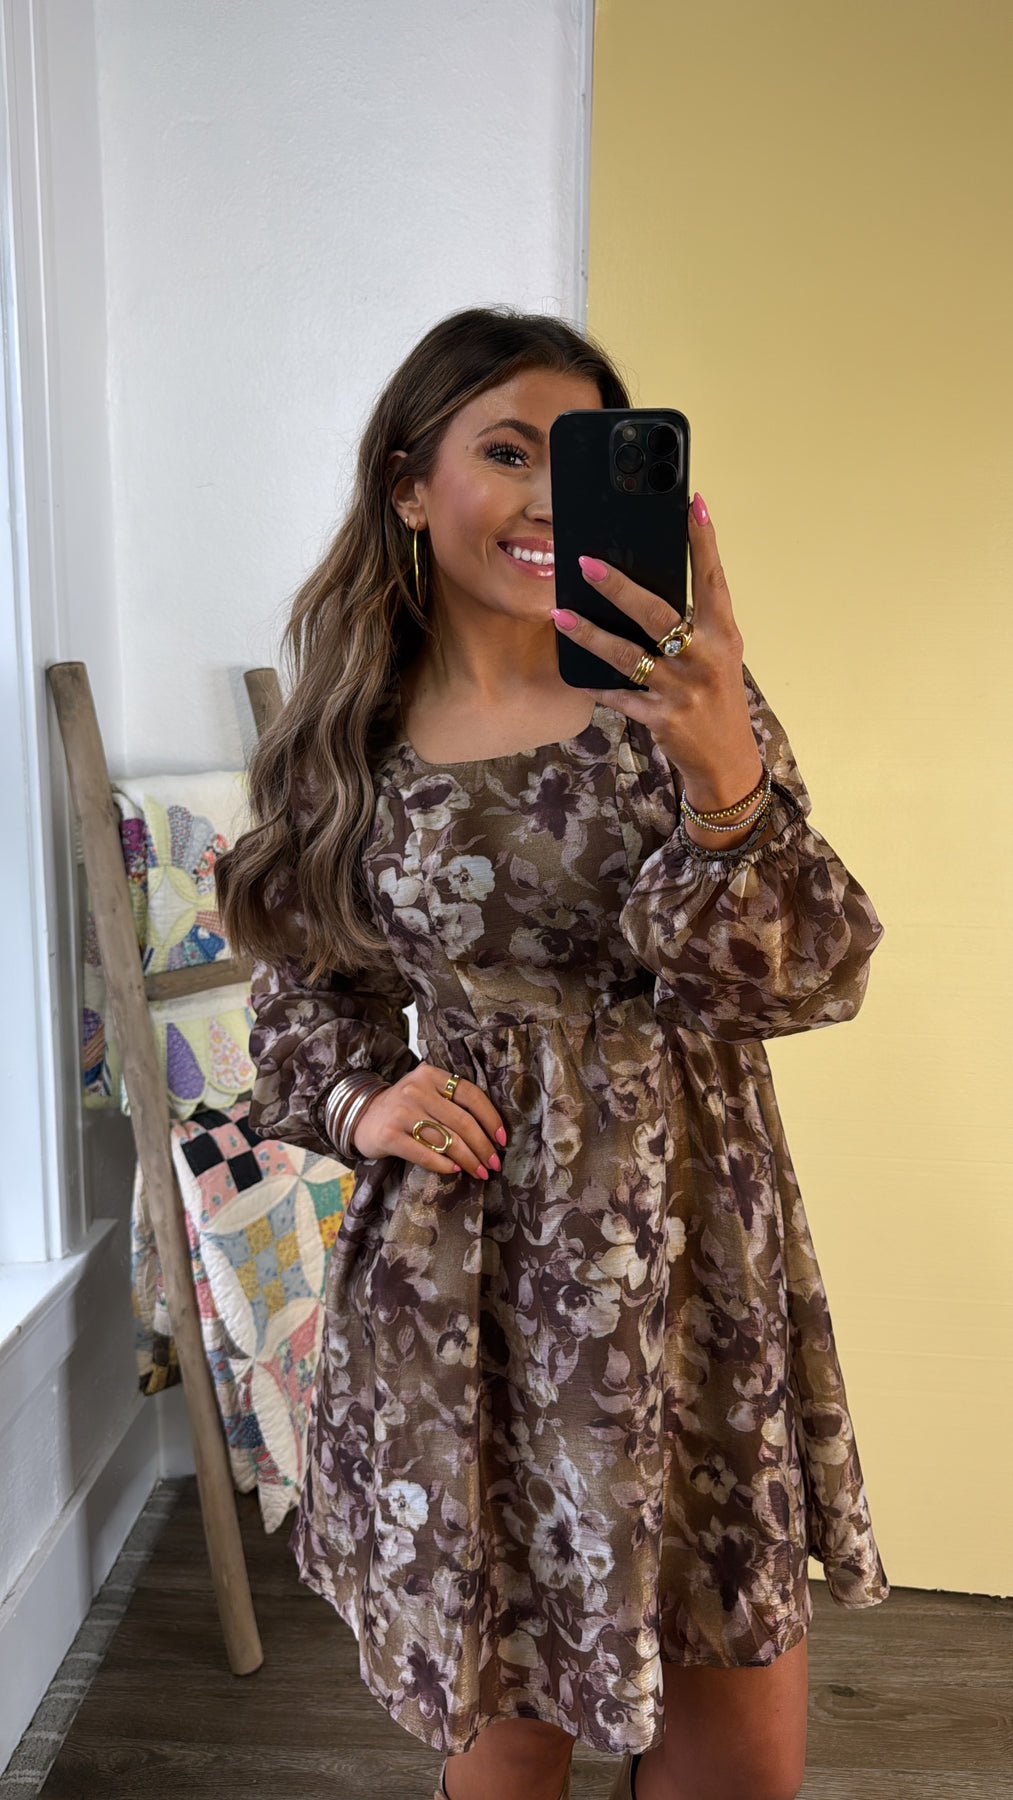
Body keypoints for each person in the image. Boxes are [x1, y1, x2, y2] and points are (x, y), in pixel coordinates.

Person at [216, 307, 888, 1800]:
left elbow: (814, 974)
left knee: (742, 1762)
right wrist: (363, 1095)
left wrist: (726, 776)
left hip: (695, 1259)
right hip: (472, 1292)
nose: (541, 498)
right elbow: (299, 995)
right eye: (505, 452)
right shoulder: (347, 744)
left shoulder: (682, 701)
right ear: (409, 485)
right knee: (507, 1741)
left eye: (575, 460)